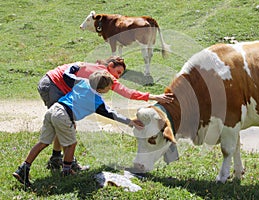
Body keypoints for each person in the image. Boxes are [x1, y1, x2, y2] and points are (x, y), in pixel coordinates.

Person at [37, 56, 173, 172]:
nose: (117, 77)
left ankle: (56, 158)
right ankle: (66, 163)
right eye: (118, 72)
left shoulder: (98, 71)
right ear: (111, 65)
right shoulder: (103, 75)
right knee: (65, 124)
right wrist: (154, 97)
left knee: (63, 124)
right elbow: (127, 92)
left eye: (120, 75)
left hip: (49, 81)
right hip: (54, 85)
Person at [13, 70, 144, 187]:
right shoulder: (96, 101)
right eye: (110, 87)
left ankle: (23, 168)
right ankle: (67, 171)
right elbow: (112, 114)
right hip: (64, 115)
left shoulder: (82, 82)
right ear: (102, 89)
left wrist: (75, 67)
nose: (111, 88)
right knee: (72, 144)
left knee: (44, 142)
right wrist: (130, 122)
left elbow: (66, 75)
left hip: (53, 109)